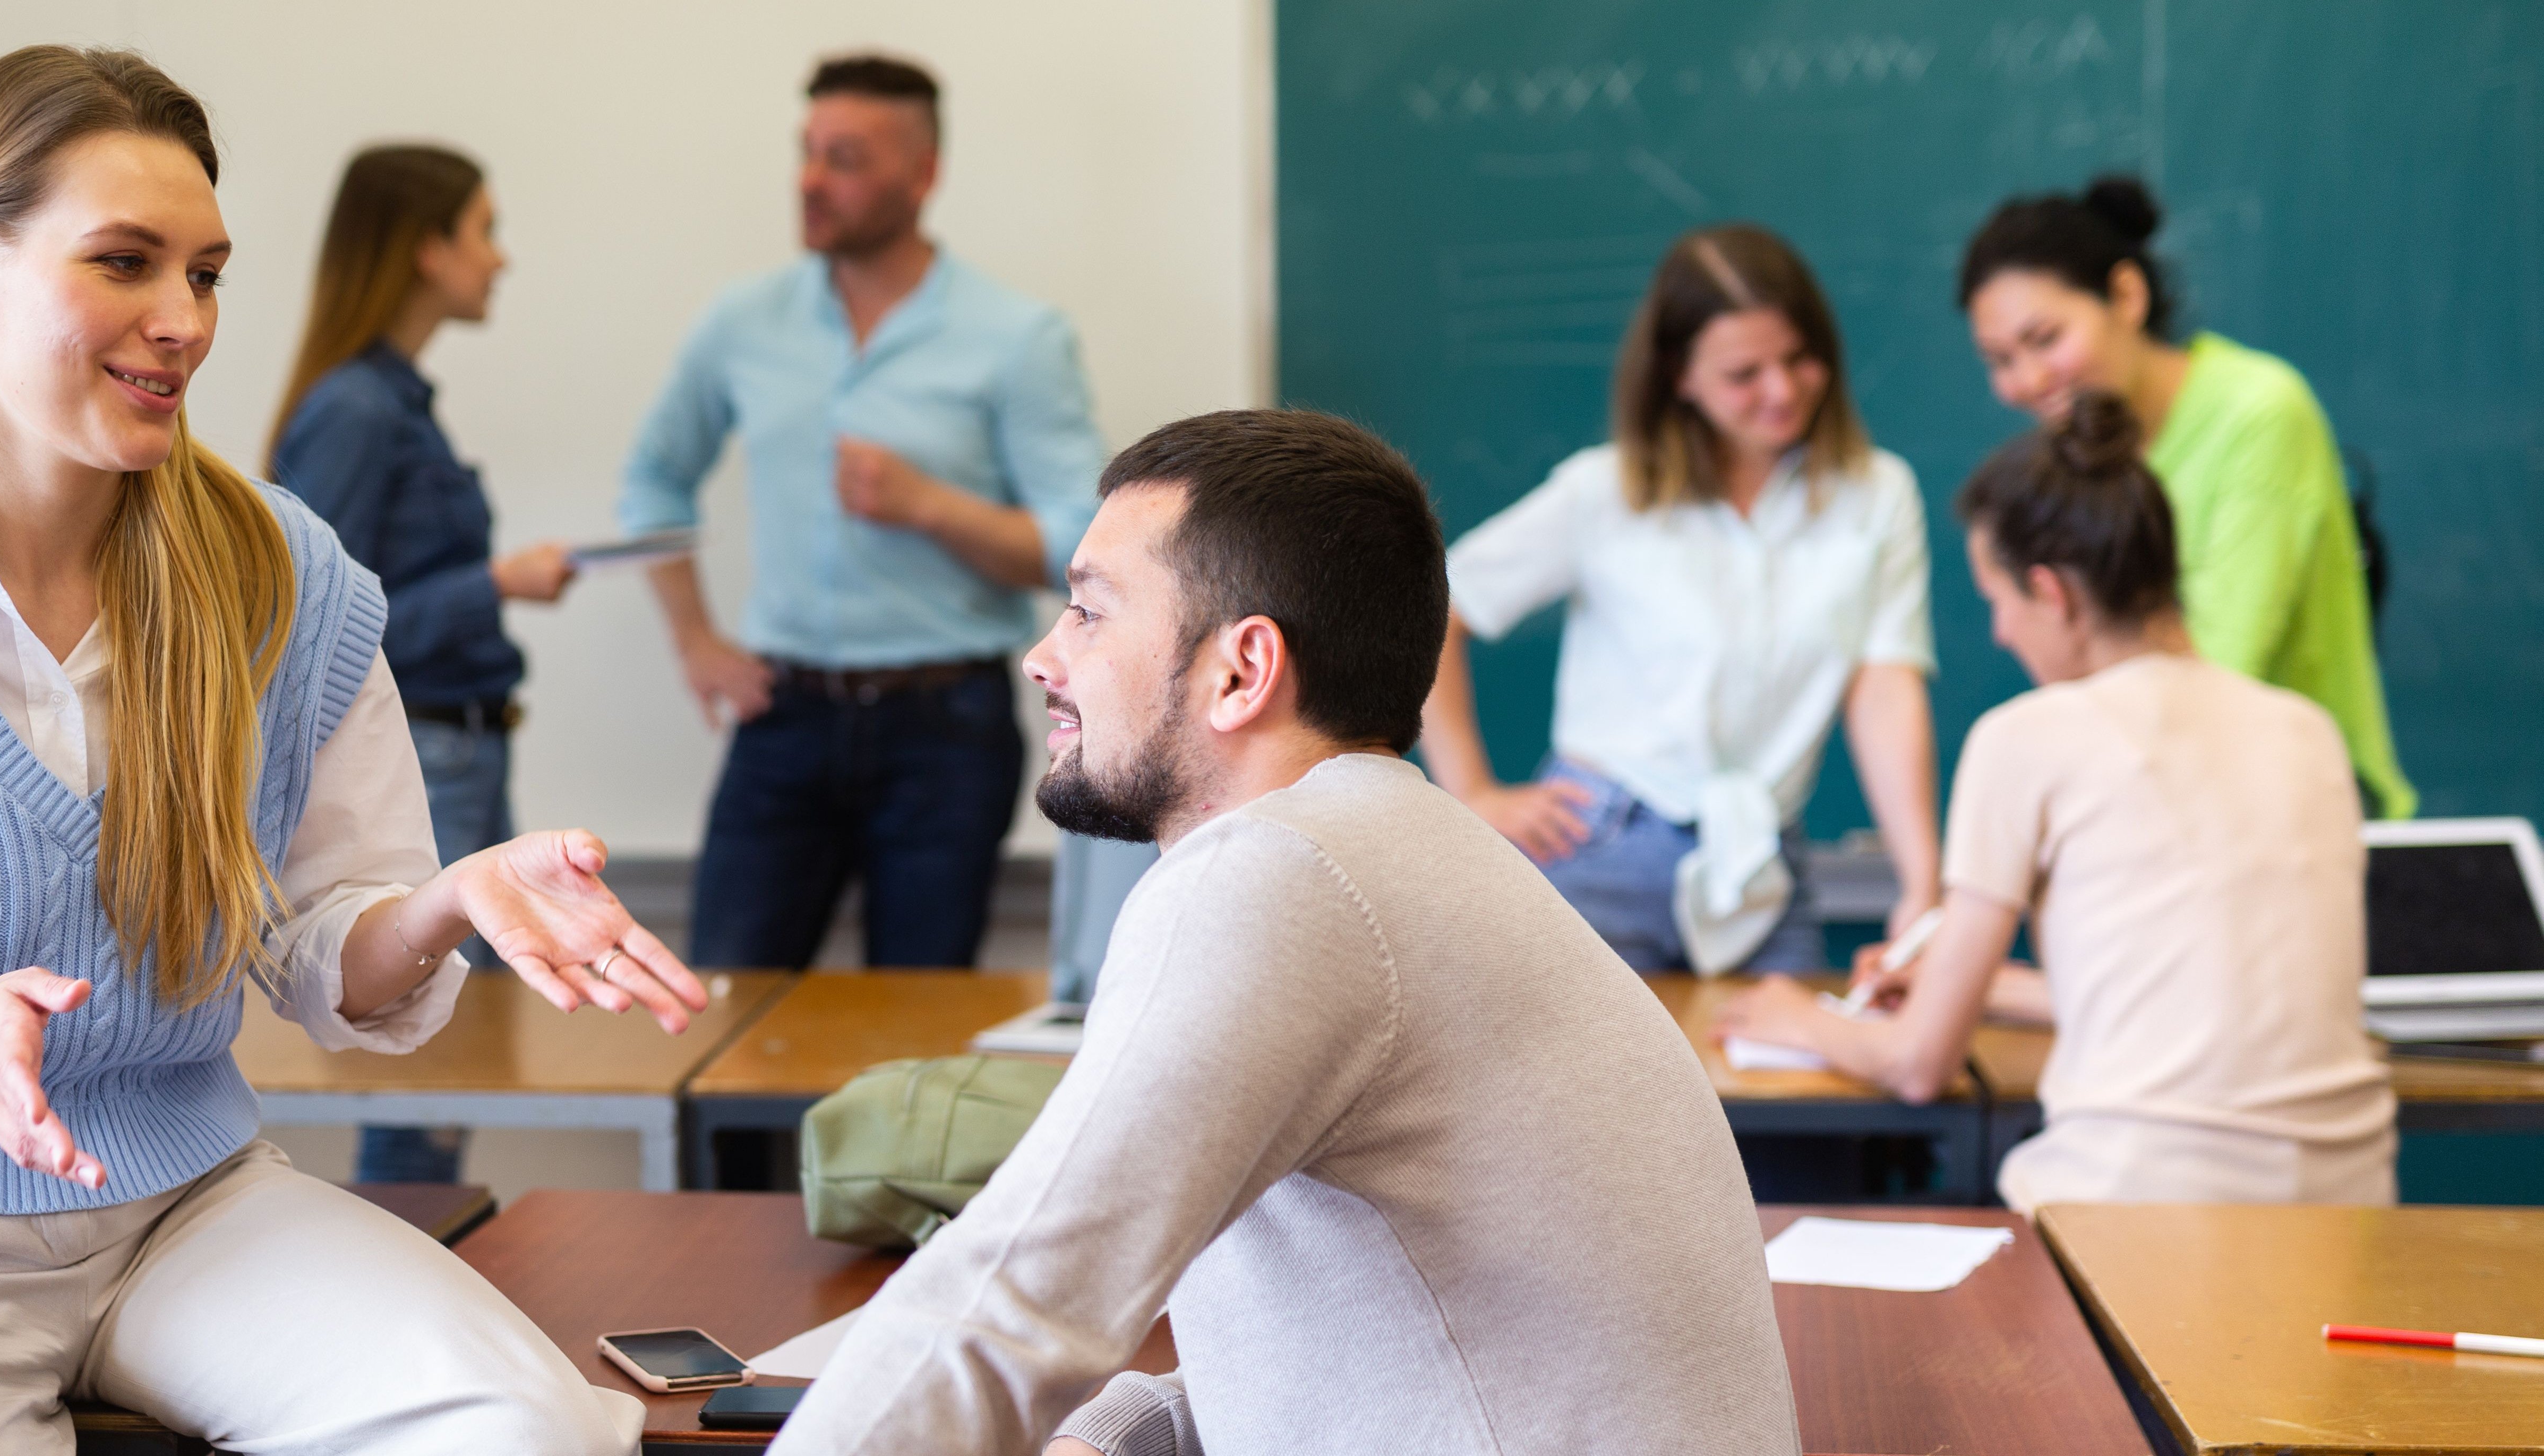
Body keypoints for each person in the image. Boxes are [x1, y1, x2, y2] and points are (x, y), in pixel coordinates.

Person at [0, 47, 706, 1453]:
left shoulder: (286, 575)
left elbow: (326, 945)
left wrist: (450, 901)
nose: (183, 321)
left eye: (206, 273)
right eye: (125, 262)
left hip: (186, 1205)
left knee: (532, 1428)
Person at [775, 410, 1797, 1455]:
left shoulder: (1276, 877)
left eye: (1088, 611)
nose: (1045, 657)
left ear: (1242, 670)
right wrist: (1116, 1430)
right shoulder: (1402, 848)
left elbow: (1005, 1308)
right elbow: (1374, 1350)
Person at [1715, 393, 2396, 1211]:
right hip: (2348, 1215)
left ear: (2053, 593)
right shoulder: (2308, 733)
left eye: (1999, 600)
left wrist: (1800, 1016)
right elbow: (2196, 995)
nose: (2001, 631)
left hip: (2132, 1221)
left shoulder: (2028, 736)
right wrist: (1986, 986)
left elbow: (1917, 1063)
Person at [619, 54, 1105, 970]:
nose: (811, 181)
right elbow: (653, 480)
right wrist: (696, 641)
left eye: (844, 158)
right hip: (782, 718)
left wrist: (931, 507)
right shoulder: (743, 322)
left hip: (947, 729)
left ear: (922, 176)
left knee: (912, 1030)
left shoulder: (1018, 337)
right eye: (807, 153)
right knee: (723, 1016)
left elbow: (1080, 546)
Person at [1420, 225, 1940, 974]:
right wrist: (1468, 791)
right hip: (1597, 844)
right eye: (1743, 374)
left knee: (1782, 1082)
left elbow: (1886, 684)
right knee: (1579, 1086)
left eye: (1800, 359)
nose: (1782, 391)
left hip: (1762, 857)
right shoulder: (1607, 490)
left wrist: (1921, 877)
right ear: (1679, 376)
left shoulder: (1874, 493)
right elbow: (1438, 605)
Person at [270, 144, 575, 1185]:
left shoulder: (396, 401)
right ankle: (407, 1249)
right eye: (483, 231)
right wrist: (495, 583)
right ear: (426, 248)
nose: (501, 260)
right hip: (428, 757)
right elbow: (317, 619)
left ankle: (422, 1241)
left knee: (448, 1042)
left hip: (466, 750)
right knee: (422, 1047)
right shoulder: (356, 410)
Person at [1960, 174, 2415, 817]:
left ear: (2126, 294)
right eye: (2000, 360)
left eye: (2046, 340)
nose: (2028, 381)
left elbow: (2222, 670)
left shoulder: (2259, 412)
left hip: (2302, 812)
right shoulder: (2082, 464)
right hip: (2165, 804)